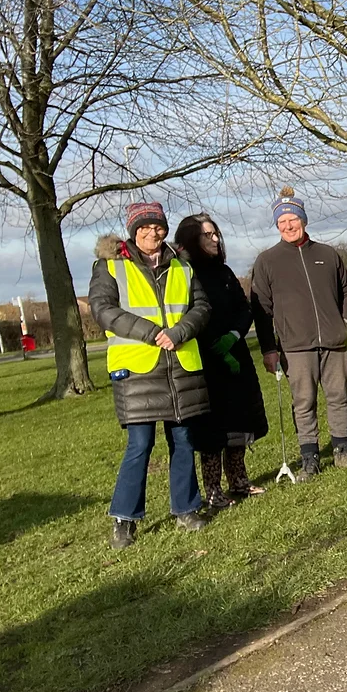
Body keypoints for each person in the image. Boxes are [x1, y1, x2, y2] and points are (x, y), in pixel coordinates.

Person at [88, 201, 211, 549]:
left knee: (183, 441)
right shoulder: (110, 266)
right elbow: (103, 309)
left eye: (158, 227)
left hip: (180, 365)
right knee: (140, 445)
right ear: (132, 231)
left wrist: (179, 332)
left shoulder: (182, 264)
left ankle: (186, 509)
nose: (152, 233)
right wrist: (151, 332)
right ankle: (124, 519)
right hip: (137, 368)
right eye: (144, 227)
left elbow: (201, 306)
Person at [250, 186, 347, 479]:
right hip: (294, 347)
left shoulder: (329, 254)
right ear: (277, 226)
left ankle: (341, 449)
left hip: (334, 342)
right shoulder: (267, 261)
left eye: (293, 220)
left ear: (304, 220)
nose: (288, 226)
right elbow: (260, 307)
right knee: (304, 402)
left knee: (339, 396)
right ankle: (309, 457)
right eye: (282, 222)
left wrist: (346, 321)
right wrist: (268, 349)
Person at [175, 213, 270, 507]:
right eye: (207, 235)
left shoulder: (226, 273)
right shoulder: (185, 272)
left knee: (240, 420)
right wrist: (216, 344)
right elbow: (192, 315)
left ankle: (239, 480)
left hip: (236, 355)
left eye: (216, 233)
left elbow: (244, 310)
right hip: (206, 362)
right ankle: (213, 490)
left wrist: (234, 335)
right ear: (193, 238)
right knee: (212, 431)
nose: (215, 239)